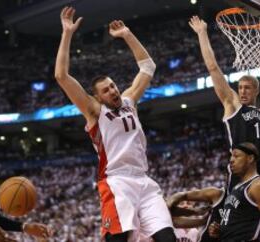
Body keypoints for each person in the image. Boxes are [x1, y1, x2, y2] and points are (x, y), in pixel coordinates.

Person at [54, 6, 176, 242]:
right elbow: (61, 76)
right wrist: (67, 33)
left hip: (144, 181)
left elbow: (148, 66)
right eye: (106, 90)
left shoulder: (130, 100)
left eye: (113, 85)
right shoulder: (94, 111)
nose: (113, 90)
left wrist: (127, 35)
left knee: (168, 239)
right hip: (117, 182)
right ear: (97, 97)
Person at [189, 15, 260, 239]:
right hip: (239, 175)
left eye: (247, 88)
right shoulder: (231, 106)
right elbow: (213, 68)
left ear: (256, 91)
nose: (242, 91)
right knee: (228, 229)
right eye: (240, 87)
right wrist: (202, 33)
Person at [208, 142, 260, 241]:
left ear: (250, 158)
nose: (231, 160)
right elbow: (240, 225)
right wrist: (220, 230)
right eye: (231, 156)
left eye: (236, 156)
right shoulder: (236, 188)